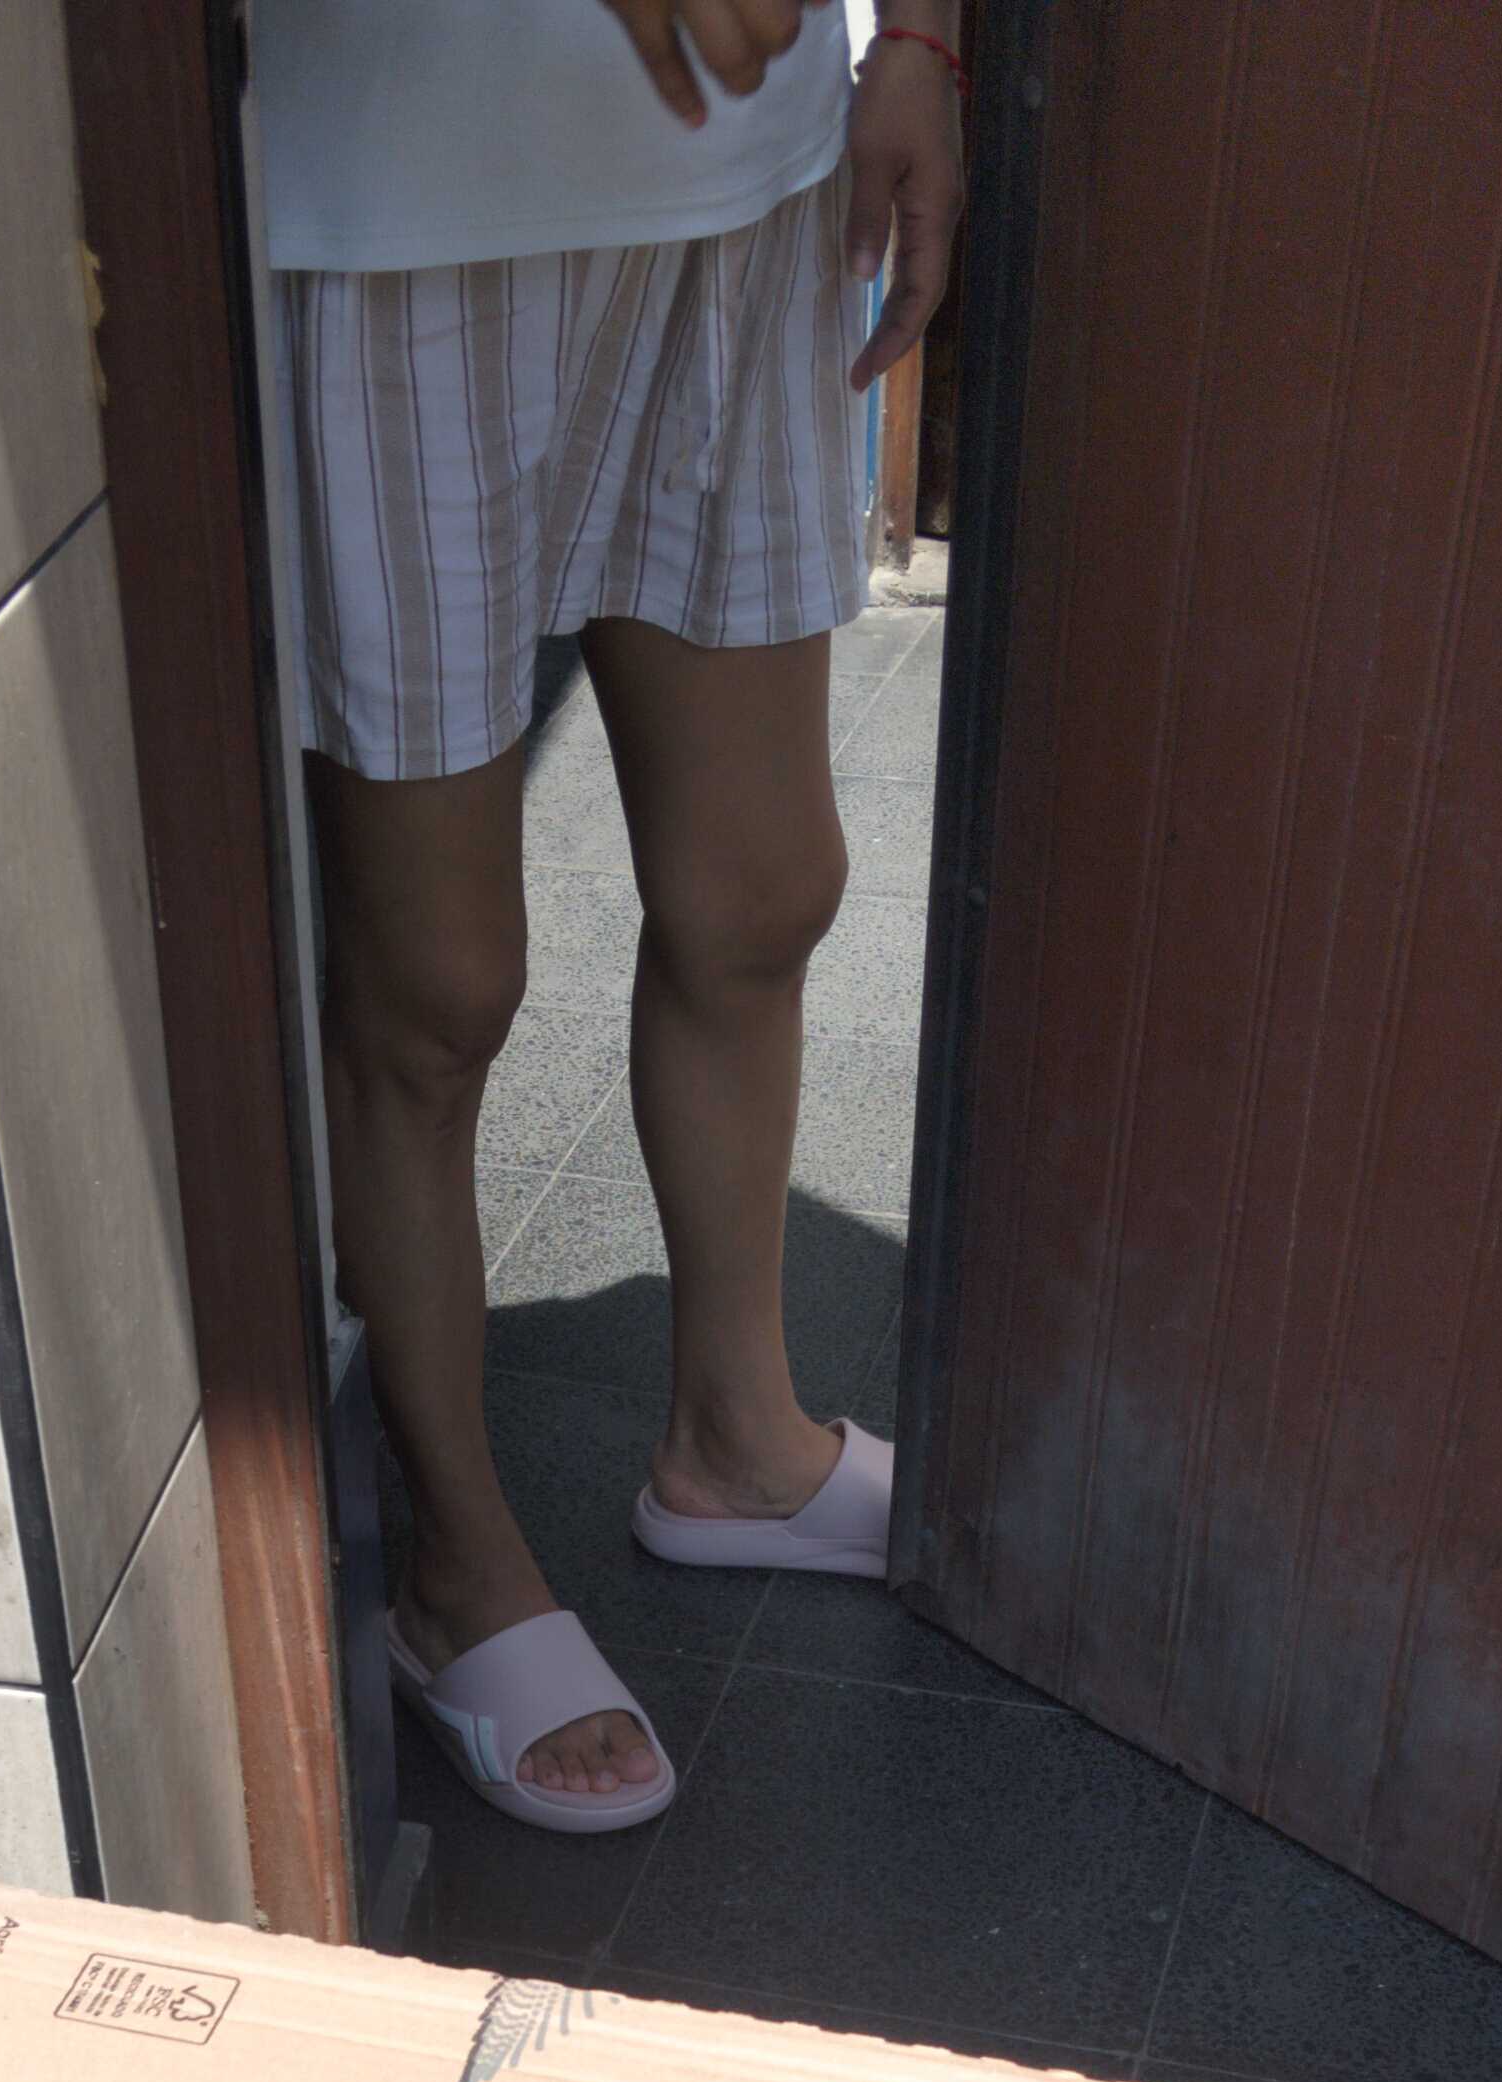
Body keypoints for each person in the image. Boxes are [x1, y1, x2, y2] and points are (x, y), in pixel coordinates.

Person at [261, 0, 965, 1830]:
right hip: (408, 197)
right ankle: (452, 1561)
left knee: (763, 888)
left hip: (755, 186)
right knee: (434, 984)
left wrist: (924, 36)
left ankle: (738, 1436)